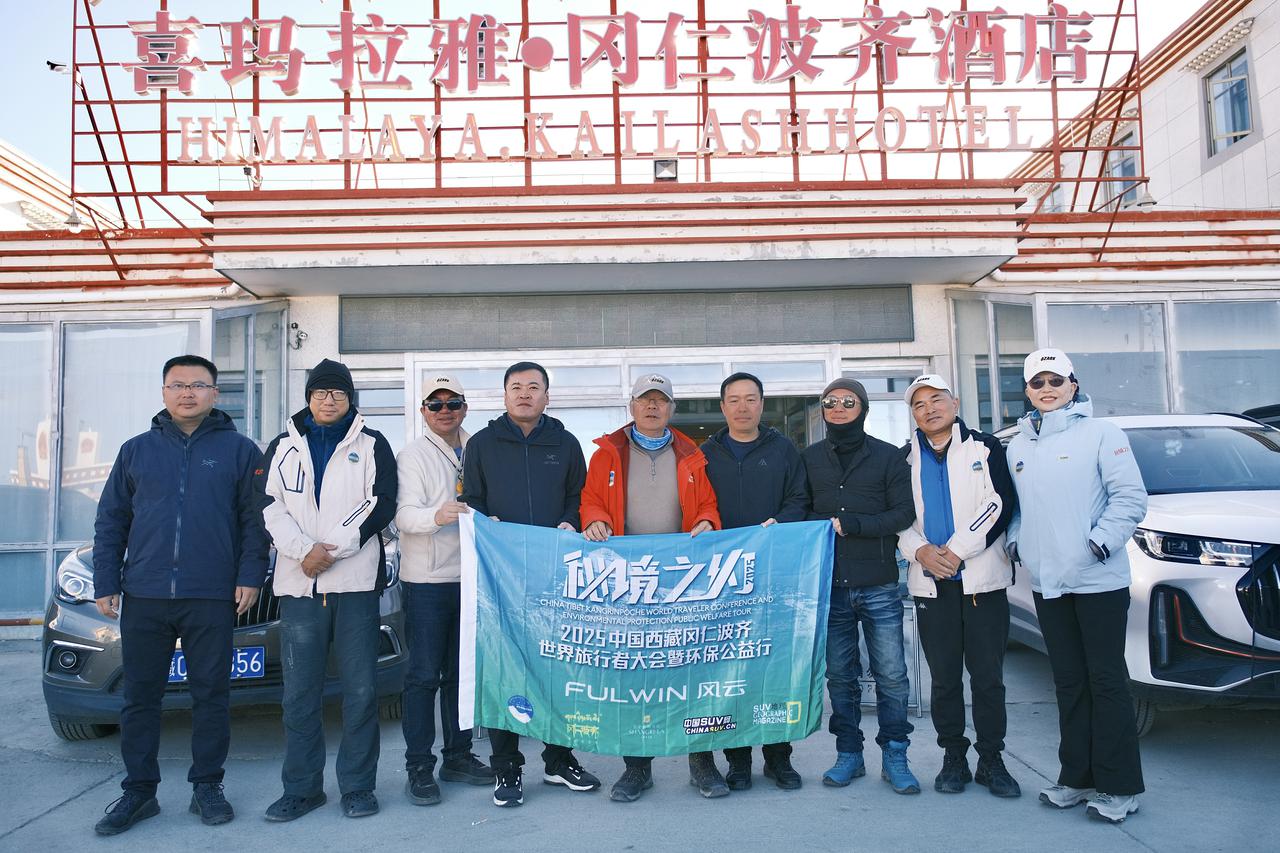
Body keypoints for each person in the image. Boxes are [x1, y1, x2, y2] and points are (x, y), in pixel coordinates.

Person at [91, 354, 269, 836]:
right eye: (178, 385)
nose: (187, 392)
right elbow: (112, 519)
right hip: (145, 592)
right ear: (164, 392)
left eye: (198, 385)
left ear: (215, 394)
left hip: (209, 593)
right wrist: (106, 580)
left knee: (211, 694)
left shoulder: (240, 451)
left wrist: (250, 576)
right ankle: (139, 791)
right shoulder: (136, 451)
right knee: (140, 696)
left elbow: (255, 522)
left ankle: (207, 785)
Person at [1006, 348, 1148, 824]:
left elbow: (1130, 498)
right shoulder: (1019, 446)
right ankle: (1077, 778)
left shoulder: (1102, 434)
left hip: (1097, 580)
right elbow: (1019, 509)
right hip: (1048, 583)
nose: (1047, 389)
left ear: (1073, 384)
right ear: (1027, 391)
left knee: (1106, 682)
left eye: (1055, 380)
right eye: (1037, 382)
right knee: (1068, 682)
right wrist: (1017, 542)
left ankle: (1120, 787)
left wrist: (1098, 544)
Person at [259, 358, 398, 821]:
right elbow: (267, 505)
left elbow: (380, 503)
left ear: (350, 398)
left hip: (355, 586)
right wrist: (304, 551)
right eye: (321, 392)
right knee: (299, 694)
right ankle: (302, 789)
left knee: (361, 691)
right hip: (300, 588)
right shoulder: (282, 447)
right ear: (309, 397)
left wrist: (331, 549)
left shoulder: (372, 443)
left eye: (338, 392)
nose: (329, 399)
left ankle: (357, 787)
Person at [461, 361, 601, 807]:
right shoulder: (481, 444)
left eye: (533, 387)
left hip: (554, 577)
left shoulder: (566, 443)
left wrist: (571, 520)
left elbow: (580, 496)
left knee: (557, 669)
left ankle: (559, 761)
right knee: (504, 670)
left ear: (546, 396)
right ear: (504, 396)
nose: (525, 394)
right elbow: (472, 500)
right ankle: (506, 767)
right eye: (516, 387)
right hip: (500, 579)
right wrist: (488, 523)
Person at [578, 373, 721, 803]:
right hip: (629, 581)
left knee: (691, 670)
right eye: (645, 399)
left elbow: (708, 504)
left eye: (661, 400)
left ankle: (702, 763)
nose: (653, 406)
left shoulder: (692, 453)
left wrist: (706, 521)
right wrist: (594, 519)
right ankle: (637, 768)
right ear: (632, 406)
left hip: (681, 580)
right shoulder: (607, 453)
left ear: (672, 409)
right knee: (634, 674)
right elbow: (590, 500)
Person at [897, 374, 1021, 798]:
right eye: (919, 404)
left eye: (936, 399)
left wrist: (955, 550)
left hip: (982, 583)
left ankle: (991, 760)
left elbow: (999, 503)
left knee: (988, 678)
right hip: (931, 584)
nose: (929, 409)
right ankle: (954, 757)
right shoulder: (903, 459)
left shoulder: (986, 448)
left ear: (955, 402)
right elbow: (897, 517)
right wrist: (920, 551)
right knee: (944, 679)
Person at [801, 378, 919, 794]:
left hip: (878, 584)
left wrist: (855, 525)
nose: (838, 407)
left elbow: (902, 514)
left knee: (891, 675)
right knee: (839, 677)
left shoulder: (888, 457)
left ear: (863, 408)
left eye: (848, 401)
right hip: (830, 584)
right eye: (830, 401)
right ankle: (848, 753)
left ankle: (895, 754)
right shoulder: (809, 458)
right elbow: (799, 509)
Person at [700, 372, 808, 791]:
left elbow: (800, 499)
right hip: (723, 581)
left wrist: (780, 523)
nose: (742, 407)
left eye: (750, 399)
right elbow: (695, 506)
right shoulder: (705, 454)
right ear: (722, 406)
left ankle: (779, 758)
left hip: (774, 575)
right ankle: (738, 759)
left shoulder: (783, 449)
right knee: (731, 669)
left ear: (762, 404)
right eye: (734, 399)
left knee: (773, 667)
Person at [394, 374, 493, 806]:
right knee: (422, 676)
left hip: (471, 577)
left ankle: (458, 755)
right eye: (435, 404)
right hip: (428, 581)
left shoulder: (479, 448)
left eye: (453, 403)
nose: (445, 410)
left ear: (465, 408)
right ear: (423, 412)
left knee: (460, 674)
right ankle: (419, 766)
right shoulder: (412, 455)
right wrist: (438, 515)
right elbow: (403, 516)